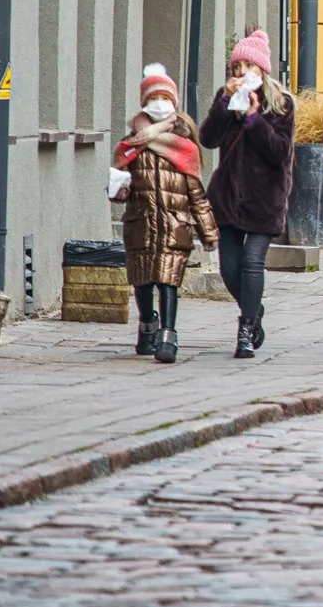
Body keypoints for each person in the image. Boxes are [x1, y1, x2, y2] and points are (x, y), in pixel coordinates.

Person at [112, 65, 219, 364]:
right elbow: (119, 188)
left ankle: (168, 335)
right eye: (154, 98)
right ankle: (148, 325)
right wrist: (117, 187)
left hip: (175, 227)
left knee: (168, 282)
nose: (160, 104)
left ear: (174, 103)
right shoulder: (132, 144)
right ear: (144, 102)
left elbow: (197, 194)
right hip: (141, 226)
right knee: (142, 282)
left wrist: (208, 232)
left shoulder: (185, 147)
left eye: (165, 98)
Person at [198, 30, 294, 359]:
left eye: (247, 66)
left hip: (264, 199)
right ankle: (255, 312)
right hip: (228, 198)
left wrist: (254, 119)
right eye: (236, 66)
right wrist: (225, 103)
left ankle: (245, 330)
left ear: (262, 70)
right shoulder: (228, 100)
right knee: (229, 267)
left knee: (253, 262)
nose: (241, 73)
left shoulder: (281, 104)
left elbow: (279, 152)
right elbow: (207, 139)